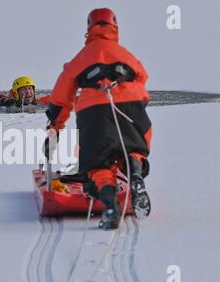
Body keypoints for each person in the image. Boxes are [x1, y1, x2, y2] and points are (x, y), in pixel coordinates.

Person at [45, 8, 152, 229]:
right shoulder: (126, 55)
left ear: (89, 28)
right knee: (132, 147)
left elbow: (61, 97)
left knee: (97, 162)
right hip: (131, 105)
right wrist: (138, 106)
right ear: (115, 27)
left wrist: (55, 127)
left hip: (94, 108)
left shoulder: (82, 57)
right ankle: (135, 171)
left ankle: (110, 206)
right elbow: (142, 78)